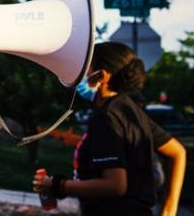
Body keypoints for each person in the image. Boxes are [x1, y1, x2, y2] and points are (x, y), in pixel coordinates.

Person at [32, 42, 187, 216]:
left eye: (87, 68)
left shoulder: (106, 117)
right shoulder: (129, 109)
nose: (82, 74)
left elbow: (115, 186)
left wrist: (56, 185)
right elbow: (177, 151)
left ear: (102, 76)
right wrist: (168, 211)